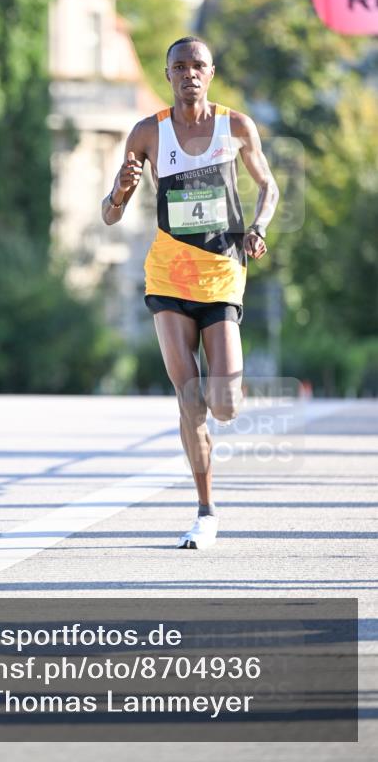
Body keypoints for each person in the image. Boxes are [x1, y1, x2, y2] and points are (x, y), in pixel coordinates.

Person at [102, 36, 279, 550]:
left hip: (222, 271)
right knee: (189, 398)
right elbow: (110, 215)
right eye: (179, 66)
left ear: (211, 72)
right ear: (167, 75)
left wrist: (260, 227)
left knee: (224, 404)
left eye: (197, 65)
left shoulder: (236, 126)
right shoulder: (147, 133)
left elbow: (268, 186)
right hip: (168, 276)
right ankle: (205, 511)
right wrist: (121, 189)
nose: (189, 74)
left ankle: (209, 430)